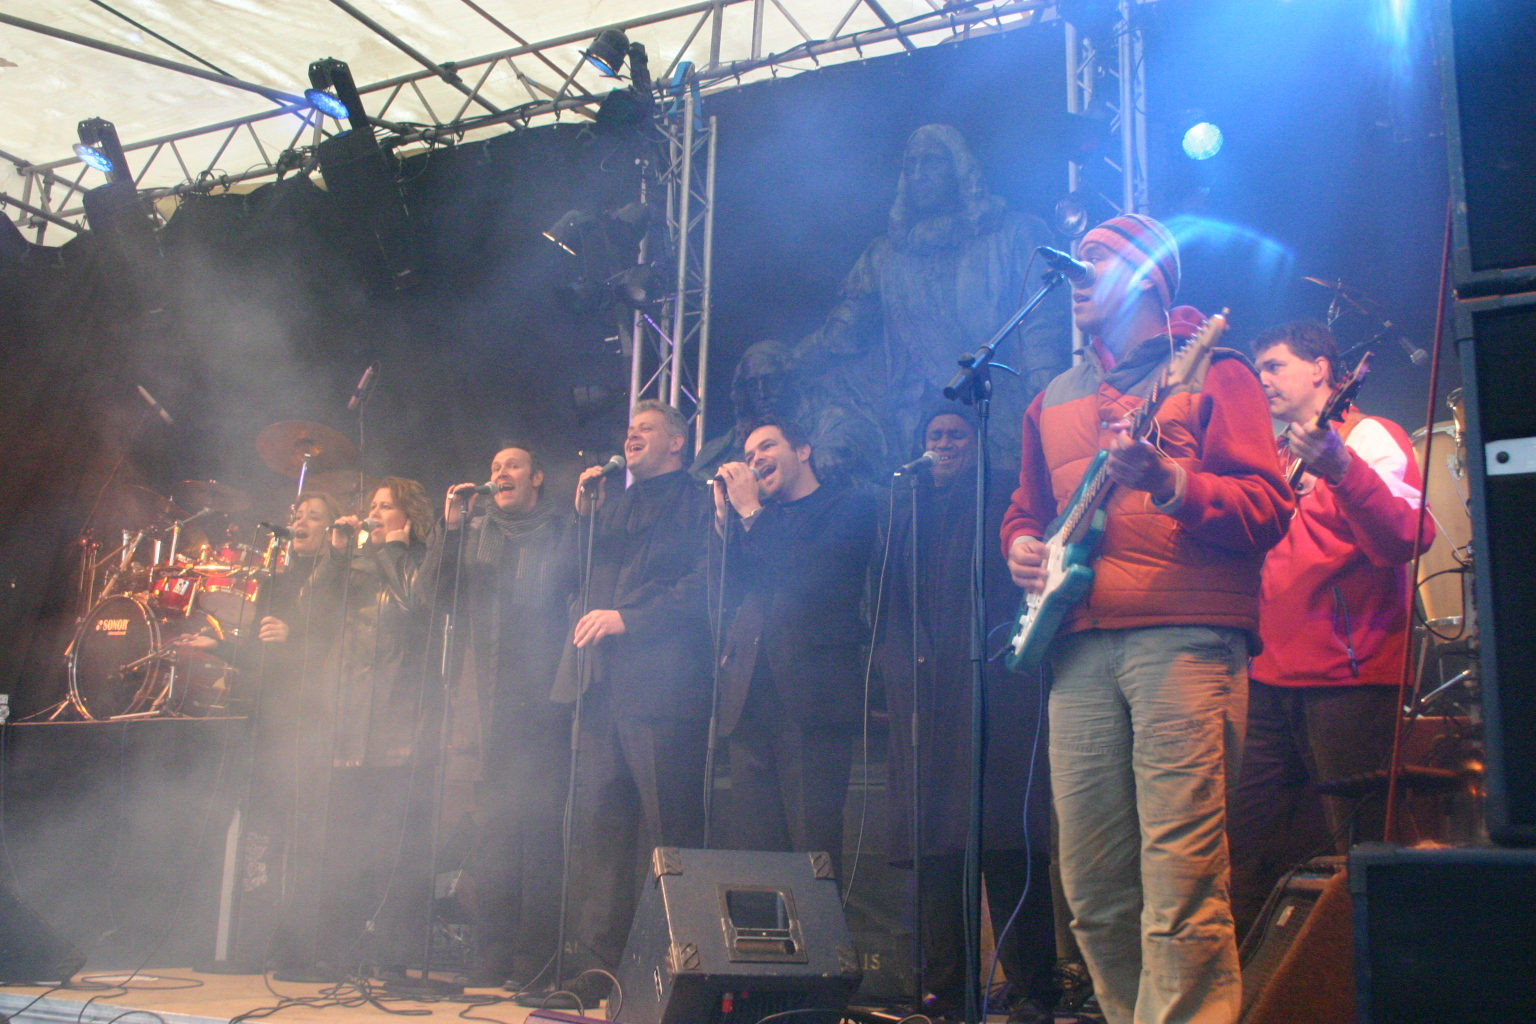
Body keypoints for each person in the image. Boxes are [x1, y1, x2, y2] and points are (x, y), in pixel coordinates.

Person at [1002, 213, 1293, 1024]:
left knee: (1181, 882)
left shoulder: (1215, 369)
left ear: (1145, 278)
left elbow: (1269, 506)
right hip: (1078, 646)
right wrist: (1021, 546)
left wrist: (1172, 483)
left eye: (1094, 259)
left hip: (1184, 639)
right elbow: (1026, 509)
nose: (1076, 274)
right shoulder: (1051, 398)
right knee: (1093, 891)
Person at [1227, 321, 1432, 939]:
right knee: (1248, 850)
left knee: (1363, 849)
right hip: (1267, 676)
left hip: (1350, 677)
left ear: (1321, 368)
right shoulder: (1272, 455)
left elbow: (1408, 536)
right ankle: (1257, 981)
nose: (1262, 379)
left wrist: (1342, 469)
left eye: (1275, 365)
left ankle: (1380, 974)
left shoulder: (1369, 435)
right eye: (1258, 369)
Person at [874, 407, 1054, 1020]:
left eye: (955, 434)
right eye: (935, 436)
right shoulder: (909, 504)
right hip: (927, 700)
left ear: (978, 441)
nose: (944, 444)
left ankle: (1032, 989)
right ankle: (945, 994)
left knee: (1005, 843)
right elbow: (887, 600)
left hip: (998, 691)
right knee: (935, 851)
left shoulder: (1002, 493)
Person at [795, 123, 1071, 467]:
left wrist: (1045, 408)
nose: (919, 175)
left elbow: (1044, 326)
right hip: (914, 426)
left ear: (960, 168)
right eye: (911, 165)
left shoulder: (1015, 234)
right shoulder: (885, 256)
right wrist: (789, 361)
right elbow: (843, 333)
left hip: (998, 413)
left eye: (932, 162)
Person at [556, 400, 713, 990]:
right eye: (629, 429)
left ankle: (678, 964)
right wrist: (583, 518)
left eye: (646, 428)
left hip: (664, 688)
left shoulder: (699, 501)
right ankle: (599, 966)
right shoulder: (611, 505)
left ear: (677, 442)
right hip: (603, 687)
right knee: (602, 828)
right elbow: (571, 582)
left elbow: (704, 586)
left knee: (668, 827)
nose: (632, 436)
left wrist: (630, 619)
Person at [421, 445, 577, 985]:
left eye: (511, 466)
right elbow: (432, 594)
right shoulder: (476, 533)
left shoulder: (562, 530)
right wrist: (451, 528)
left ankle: (536, 961)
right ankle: (490, 959)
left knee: (540, 831)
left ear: (537, 477)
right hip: (487, 701)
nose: (499, 474)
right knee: (493, 832)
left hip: (546, 700)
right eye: (493, 468)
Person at [713, 417, 877, 877]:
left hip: (812, 703)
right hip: (749, 702)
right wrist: (726, 523)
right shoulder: (757, 520)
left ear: (803, 450)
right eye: (749, 455)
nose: (756, 460)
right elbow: (726, 587)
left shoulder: (847, 506)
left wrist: (750, 514)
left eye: (767, 447)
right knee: (757, 856)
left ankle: (822, 929)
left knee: (811, 852)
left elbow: (811, 577)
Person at [692, 339, 883, 488]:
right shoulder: (725, 445)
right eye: (753, 385)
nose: (762, 392)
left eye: (770, 380)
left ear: (790, 379)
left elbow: (843, 445)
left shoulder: (831, 419)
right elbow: (696, 480)